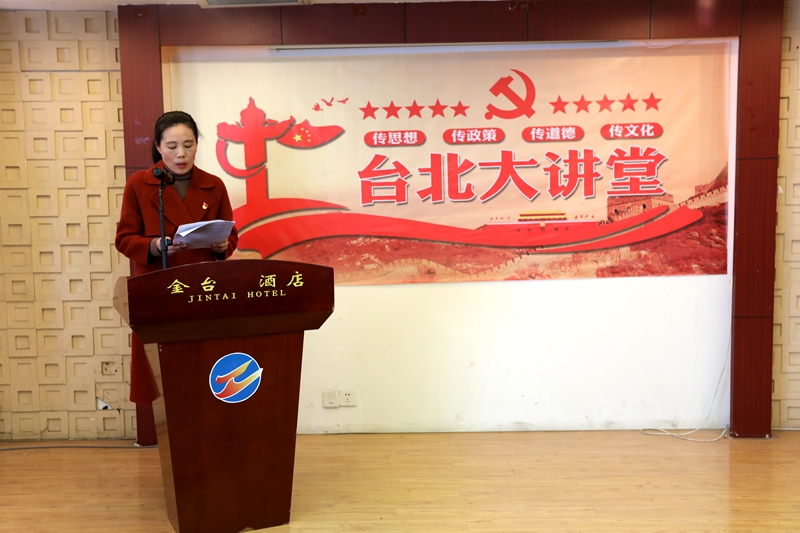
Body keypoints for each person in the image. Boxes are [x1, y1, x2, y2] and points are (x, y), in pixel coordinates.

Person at [116, 111, 239, 404]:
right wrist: (155, 246)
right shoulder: (139, 184)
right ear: (158, 146)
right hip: (159, 292)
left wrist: (222, 246)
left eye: (188, 145)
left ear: (197, 144)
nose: (181, 154)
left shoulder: (214, 185)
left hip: (203, 291)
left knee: (204, 376)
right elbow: (124, 239)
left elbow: (230, 235)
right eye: (172, 146)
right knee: (165, 378)